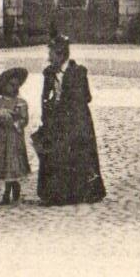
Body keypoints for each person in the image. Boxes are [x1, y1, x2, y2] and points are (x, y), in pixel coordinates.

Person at [35, 34, 107, 206]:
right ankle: (55, 195)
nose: (48, 58)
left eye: (51, 54)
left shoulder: (78, 72)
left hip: (77, 120)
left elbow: (86, 97)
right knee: (54, 154)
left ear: (61, 55)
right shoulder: (49, 73)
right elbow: (44, 97)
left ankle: (80, 193)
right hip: (56, 120)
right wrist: (47, 115)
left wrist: (64, 103)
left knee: (77, 154)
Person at [0, 66, 31, 206]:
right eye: (11, 85)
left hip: (14, 137)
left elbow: (24, 120)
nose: (15, 88)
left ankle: (9, 190)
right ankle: (12, 188)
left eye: (16, 85)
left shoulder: (21, 103)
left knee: (13, 162)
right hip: (2, 137)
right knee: (5, 162)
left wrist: (15, 122)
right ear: (4, 86)